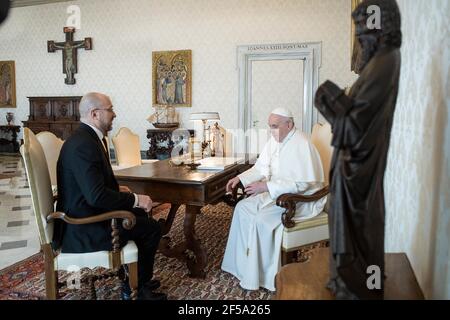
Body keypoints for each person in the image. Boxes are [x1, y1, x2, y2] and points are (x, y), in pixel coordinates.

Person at [314, 0, 402, 300]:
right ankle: (351, 280)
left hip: (360, 169)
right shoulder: (377, 63)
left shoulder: (385, 62)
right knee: (349, 228)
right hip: (351, 165)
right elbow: (354, 120)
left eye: (365, 30)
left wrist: (328, 97)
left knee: (362, 229)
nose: (361, 37)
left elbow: (354, 128)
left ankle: (365, 285)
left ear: (381, 26)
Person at [54, 92, 166, 300]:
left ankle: (136, 279)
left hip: (86, 214)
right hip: (83, 228)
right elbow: (96, 197)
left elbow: (92, 187)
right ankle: (137, 290)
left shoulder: (87, 138)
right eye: (110, 109)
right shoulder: (83, 145)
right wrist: (135, 199)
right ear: (95, 114)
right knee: (151, 228)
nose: (114, 114)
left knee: (140, 217)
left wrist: (120, 191)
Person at [221, 108, 326, 291]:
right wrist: (241, 178)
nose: (271, 131)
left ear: (289, 125)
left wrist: (266, 187)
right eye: (270, 126)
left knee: (262, 219)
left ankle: (264, 276)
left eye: (275, 126)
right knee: (243, 208)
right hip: (276, 193)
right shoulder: (274, 140)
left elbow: (302, 184)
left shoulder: (301, 143)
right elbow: (261, 168)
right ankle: (242, 266)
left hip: (301, 200)